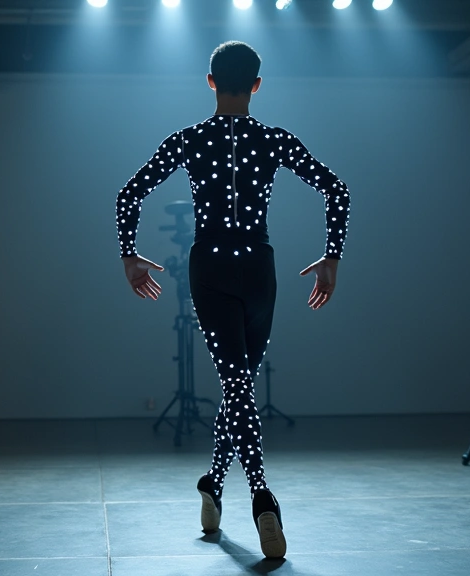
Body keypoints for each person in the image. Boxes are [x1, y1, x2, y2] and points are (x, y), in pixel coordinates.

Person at [114, 41, 351, 559]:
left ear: (211, 81)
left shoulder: (189, 139)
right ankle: (252, 493)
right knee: (239, 383)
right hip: (259, 270)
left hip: (212, 268)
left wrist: (129, 254)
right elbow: (338, 190)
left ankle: (224, 486)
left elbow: (128, 193)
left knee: (236, 384)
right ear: (257, 86)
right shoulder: (274, 140)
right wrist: (331, 257)